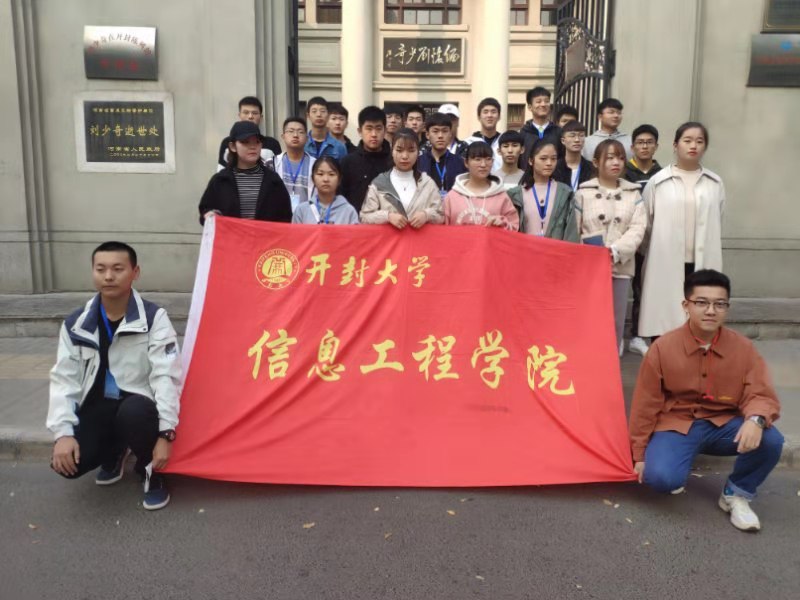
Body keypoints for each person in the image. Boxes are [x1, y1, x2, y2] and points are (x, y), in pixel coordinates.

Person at [630, 269, 783, 532]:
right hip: (677, 424)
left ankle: (736, 493)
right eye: (701, 302)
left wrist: (756, 419)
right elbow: (646, 403)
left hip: (725, 425)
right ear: (686, 305)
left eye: (719, 304)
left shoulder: (743, 348)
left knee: (771, 440)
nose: (711, 311)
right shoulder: (662, 348)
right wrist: (639, 454)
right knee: (660, 479)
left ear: (727, 308)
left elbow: (760, 392)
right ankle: (675, 462)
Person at [48, 242, 181, 510]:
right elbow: (64, 379)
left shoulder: (153, 318)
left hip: (138, 405)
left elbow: (167, 376)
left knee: (134, 412)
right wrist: (62, 433)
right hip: (99, 405)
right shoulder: (76, 324)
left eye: (118, 269)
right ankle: (115, 450)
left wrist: (166, 434)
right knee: (68, 464)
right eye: (101, 269)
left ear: (135, 272)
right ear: (93, 272)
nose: (108, 276)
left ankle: (150, 471)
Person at [638, 122, 725, 339]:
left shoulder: (714, 183)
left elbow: (718, 218)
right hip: (665, 261)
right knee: (664, 321)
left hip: (702, 262)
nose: (693, 146)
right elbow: (646, 224)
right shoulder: (658, 182)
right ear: (675, 145)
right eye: (687, 140)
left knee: (701, 318)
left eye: (699, 141)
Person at [574, 139, 646, 352]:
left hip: (621, 266)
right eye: (610, 158)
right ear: (596, 162)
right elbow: (574, 230)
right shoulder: (583, 193)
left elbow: (638, 228)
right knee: (588, 316)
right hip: (589, 267)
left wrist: (616, 250)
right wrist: (587, 253)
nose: (616, 162)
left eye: (620, 158)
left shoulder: (634, 194)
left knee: (615, 319)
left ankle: (612, 359)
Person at [199, 121, 293, 225]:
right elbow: (205, 211)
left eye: (257, 142)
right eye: (245, 142)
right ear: (233, 146)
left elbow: (285, 218)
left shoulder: (273, 181)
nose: (253, 146)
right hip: (231, 235)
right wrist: (210, 215)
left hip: (264, 235)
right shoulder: (220, 180)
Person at [624, 124, 663, 357]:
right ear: (633, 147)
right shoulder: (624, 172)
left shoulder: (662, 175)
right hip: (626, 237)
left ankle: (639, 335)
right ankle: (615, 334)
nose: (645, 146)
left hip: (652, 239)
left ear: (656, 146)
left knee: (644, 289)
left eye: (649, 142)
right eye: (640, 142)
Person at [360, 128, 443, 229]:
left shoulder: (427, 183)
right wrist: (387, 216)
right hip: (390, 239)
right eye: (399, 150)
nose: (405, 156)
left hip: (420, 239)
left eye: (411, 150)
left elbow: (441, 215)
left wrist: (426, 215)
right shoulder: (379, 184)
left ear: (418, 152)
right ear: (392, 151)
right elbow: (364, 217)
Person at [508, 137, 579, 241]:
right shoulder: (515, 194)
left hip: (555, 250)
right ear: (531, 161)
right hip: (525, 249)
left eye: (553, 159)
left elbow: (571, 233)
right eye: (543, 158)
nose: (549, 163)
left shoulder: (565, 193)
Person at [443, 141, 519, 230]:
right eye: (477, 159)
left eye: (488, 159)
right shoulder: (452, 197)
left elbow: (514, 228)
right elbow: (441, 230)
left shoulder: (501, 196)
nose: (483, 164)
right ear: (466, 162)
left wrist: (503, 223)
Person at [339, 106, 393, 213]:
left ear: (385, 131)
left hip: (388, 220)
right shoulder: (347, 163)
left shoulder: (393, 161)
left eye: (378, 129)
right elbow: (340, 198)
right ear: (360, 131)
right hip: (355, 220)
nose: (374, 134)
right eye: (369, 128)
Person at [215, 96, 282, 172]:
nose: (250, 116)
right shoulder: (228, 142)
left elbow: (279, 171)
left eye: (255, 113)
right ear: (239, 115)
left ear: (261, 117)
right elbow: (221, 172)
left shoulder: (272, 144)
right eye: (246, 113)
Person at [293, 157, 358, 225]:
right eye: (320, 174)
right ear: (313, 179)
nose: (326, 179)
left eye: (331, 174)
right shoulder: (301, 210)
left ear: (339, 179)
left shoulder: (349, 211)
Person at [417, 112, 467, 196]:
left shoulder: (460, 163)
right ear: (427, 135)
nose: (440, 136)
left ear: (450, 134)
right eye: (435, 131)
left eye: (444, 131)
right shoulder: (418, 162)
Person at [274, 117, 316, 213]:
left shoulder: (315, 165)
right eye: (290, 131)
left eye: (300, 132)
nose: (295, 135)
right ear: (283, 136)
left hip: (306, 217)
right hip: (280, 217)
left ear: (306, 138)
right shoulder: (272, 163)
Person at [519, 86, 561, 166]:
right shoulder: (523, 133)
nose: (543, 104)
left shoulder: (558, 132)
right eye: (538, 101)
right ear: (530, 107)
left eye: (546, 101)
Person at [553, 120, 594, 191]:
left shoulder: (592, 168)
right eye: (572, 136)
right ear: (563, 141)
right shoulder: (554, 167)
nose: (577, 140)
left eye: (581, 135)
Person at [464, 97, 503, 171]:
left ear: (499, 116)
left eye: (493, 112)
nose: (489, 115)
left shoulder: (504, 143)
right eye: (485, 112)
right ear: (479, 117)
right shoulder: (468, 143)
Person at [304, 96, 348, 161]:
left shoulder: (339, 146)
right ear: (308, 115)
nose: (319, 114)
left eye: (322, 111)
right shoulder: (302, 143)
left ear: (328, 115)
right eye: (314, 111)